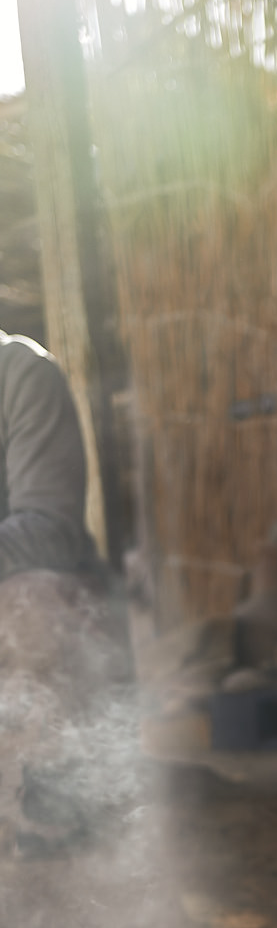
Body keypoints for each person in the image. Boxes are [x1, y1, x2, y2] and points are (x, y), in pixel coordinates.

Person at [0, 333, 123, 854]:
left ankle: (55, 817)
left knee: (38, 600)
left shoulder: (20, 372)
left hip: (24, 598)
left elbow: (49, 528)